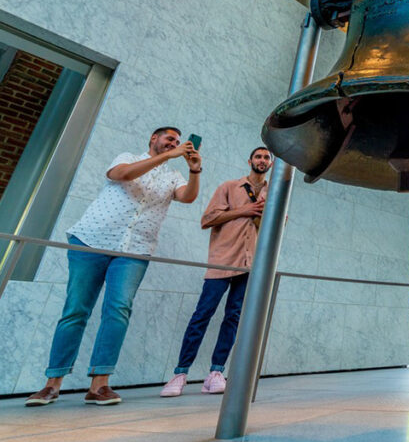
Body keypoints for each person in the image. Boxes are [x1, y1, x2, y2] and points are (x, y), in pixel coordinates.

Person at [25, 127, 202, 407]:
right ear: (153, 139)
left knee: (118, 309)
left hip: (136, 249)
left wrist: (194, 171)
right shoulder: (128, 157)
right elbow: (122, 174)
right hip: (91, 241)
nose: (175, 143)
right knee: (75, 310)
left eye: (178, 142)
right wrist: (169, 155)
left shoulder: (174, 175)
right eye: (169, 138)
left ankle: (99, 385)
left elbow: (188, 197)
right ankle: (52, 384)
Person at [161, 147, 273, 397]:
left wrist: (261, 214)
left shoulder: (274, 194)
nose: (262, 161)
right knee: (202, 314)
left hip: (250, 264)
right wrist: (245, 210)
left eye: (267, 158)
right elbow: (207, 219)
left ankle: (216, 372)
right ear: (250, 160)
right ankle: (180, 373)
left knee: (233, 317)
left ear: (271, 164)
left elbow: (276, 229)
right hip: (222, 260)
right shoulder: (229, 187)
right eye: (258, 156)